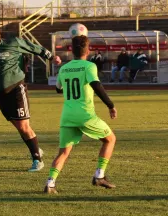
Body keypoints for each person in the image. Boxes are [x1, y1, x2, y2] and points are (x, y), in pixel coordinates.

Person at [0, 24, 62, 172]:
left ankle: (37, 160)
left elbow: (33, 47)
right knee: (18, 126)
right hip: (0, 93)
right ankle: (36, 149)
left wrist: (51, 57)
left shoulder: (13, 43)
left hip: (16, 88)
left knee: (23, 126)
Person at [43, 35, 117, 194]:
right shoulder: (89, 66)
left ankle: (50, 184)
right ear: (88, 50)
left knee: (63, 152)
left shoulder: (64, 68)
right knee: (110, 139)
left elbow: (58, 89)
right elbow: (96, 85)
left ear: (72, 51)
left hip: (67, 116)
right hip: (85, 116)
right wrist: (110, 105)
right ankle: (99, 176)